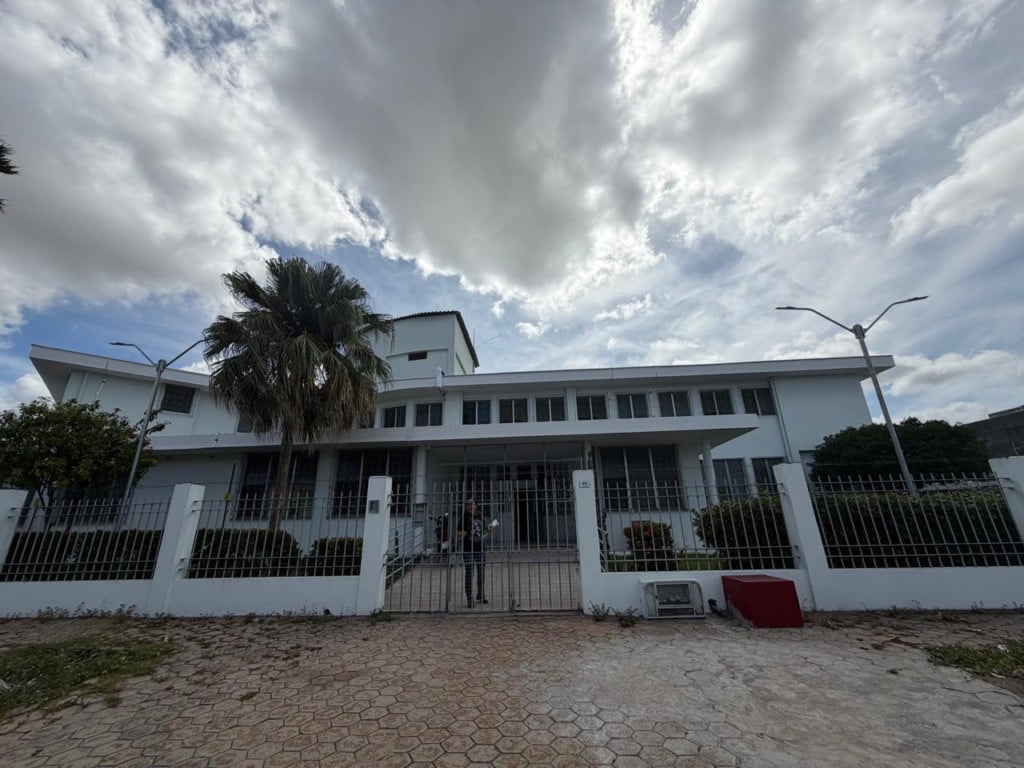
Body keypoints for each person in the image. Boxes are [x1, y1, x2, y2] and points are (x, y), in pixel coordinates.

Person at [458, 498, 487, 607]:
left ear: (475, 505)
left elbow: (484, 530)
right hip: (468, 549)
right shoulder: (463, 519)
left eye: (472, 504)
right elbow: (459, 535)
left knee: (481, 572)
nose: (470, 506)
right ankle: (469, 597)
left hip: (480, 548)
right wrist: (467, 530)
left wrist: (488, 529)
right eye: (468, 504)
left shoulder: (480, 516)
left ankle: (480, 593)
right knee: (469, 573)